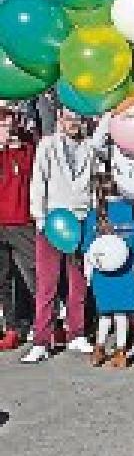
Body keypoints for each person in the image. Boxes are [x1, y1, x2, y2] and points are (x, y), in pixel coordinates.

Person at [23, 107, 100, 363]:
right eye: (69, 118)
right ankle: (41, 340)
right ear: (59, 119)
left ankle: (76, 332)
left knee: (78, 281)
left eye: (78, 118)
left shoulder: (89, 148)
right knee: (47, 283)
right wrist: (39, 217)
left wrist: (92, 214)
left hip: (80, 220)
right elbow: (38, 181)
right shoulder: (47, 145)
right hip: (52, 221)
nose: (74, 123)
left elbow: (92, 185)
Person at [82, 173, 134, 369]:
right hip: (127, 272)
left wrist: (88, 273)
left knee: (104, 314)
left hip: (102, 274)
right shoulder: (131, 211)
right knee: (121, 314)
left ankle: (99, 349)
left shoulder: (94, 215)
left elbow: (87, 247)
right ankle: (121, 352)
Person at [0, 105, 37, 350]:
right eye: (2, 121)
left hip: (22, 221)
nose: (6, 125)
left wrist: (16, 145)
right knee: (2, 278)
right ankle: (11, 328)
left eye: (8, 119)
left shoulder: (27, 146)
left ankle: (46, 322)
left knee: (33, 273)